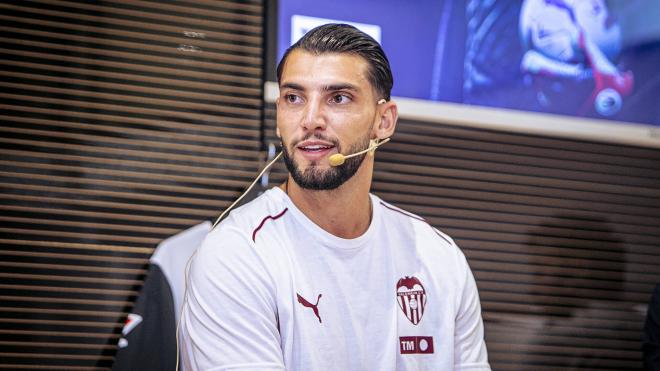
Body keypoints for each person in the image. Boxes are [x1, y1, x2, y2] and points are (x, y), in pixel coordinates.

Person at [180, 23, 490, 370]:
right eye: (294, 98)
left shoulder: (439, 259)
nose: (310, 120)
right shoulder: (237, 254)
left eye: (338, 98)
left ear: (383, 121)